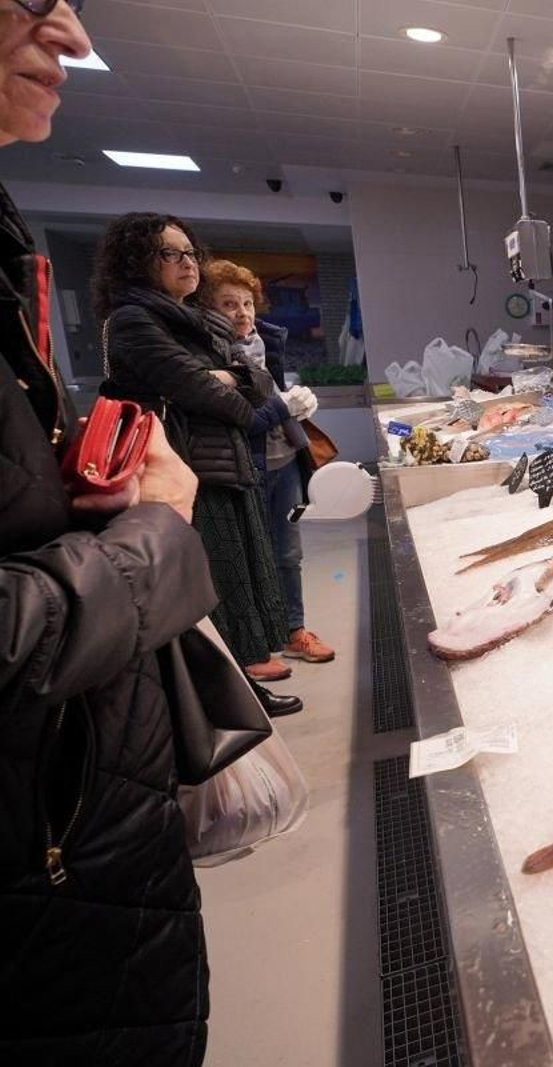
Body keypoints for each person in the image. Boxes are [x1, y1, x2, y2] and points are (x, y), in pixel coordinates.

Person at [0, 3, 215, 1063]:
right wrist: (156, 530)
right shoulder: (145, 319)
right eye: (29, 0)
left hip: (75, 826)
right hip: (41, 865)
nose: (74, 35)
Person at [94, 214, 300, 680]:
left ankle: (245, 685)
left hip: (226, 464)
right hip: (185, 472)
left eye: (190, 252)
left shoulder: (201, 321)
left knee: (240, 581)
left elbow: (258, 385)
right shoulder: (131, 320)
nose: (187, 262)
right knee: (205, 587)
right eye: (170, 253)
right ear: (137, 261)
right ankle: (219, 694)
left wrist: (227, 377)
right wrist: (224, 379)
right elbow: (220, 400)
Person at [202, 259, 336, 664]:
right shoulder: (209, 358)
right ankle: (255, 645)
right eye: (229, 304)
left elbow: (272, 397)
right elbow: (238, 424)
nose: (242, 313)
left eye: (247, 303)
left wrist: (297, 403)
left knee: (289, 553)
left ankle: (294, 630)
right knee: (250, 558)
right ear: (208, 310)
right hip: (244, 471)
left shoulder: (265, 344)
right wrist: (282, 407)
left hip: (285, 465)